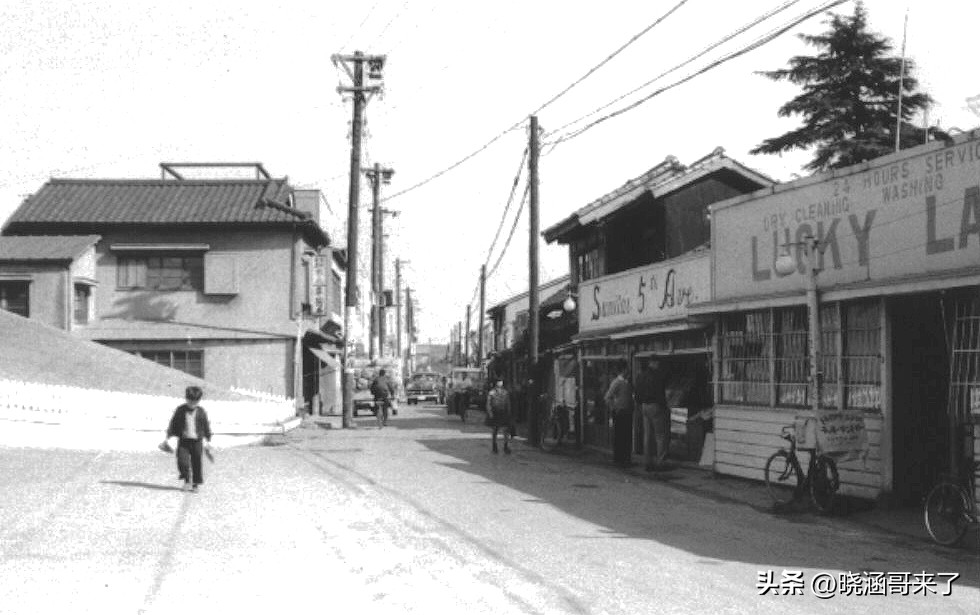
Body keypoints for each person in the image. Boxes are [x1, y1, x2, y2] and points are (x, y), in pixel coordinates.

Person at [166, 385, 213, 492]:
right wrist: (169, 435)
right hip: (183, 441)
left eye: (195, 402)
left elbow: (206, 425)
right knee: (182, 461)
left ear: (198, 401)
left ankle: (196, 483)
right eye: (190, 401)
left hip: (197, 441)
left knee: (197, 462)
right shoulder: (180, 410)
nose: (192, 404)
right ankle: (187, 481)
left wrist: (208, 437)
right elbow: (173, 422)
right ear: (186, 398)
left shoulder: (201, 411)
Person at [634, 358, 670, 471]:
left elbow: (637, 392)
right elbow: (660, 393)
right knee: (660, 435)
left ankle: (647, 462)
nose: (658, 365)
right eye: (657, 363)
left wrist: (640, 403)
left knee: (647, 435)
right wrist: (664, 406)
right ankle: (660, 462)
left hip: (644, 406)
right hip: (655, 406)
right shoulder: (657, 376)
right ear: (653, 363)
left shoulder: (640, 375)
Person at [603, 363, 634, 467]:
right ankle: (619, 458)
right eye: (627, 369)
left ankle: (625, 458)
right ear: (623, 370)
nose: (628, 371)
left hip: (627, 412)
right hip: (620, 412)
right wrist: (614, 408)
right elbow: (607, 397)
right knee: (620, 436)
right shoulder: (617, 382)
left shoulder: (626, 382)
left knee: (626, 436)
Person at [485, 379, 514, 454]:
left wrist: (509, 412)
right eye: (499, 383)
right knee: (495, 430)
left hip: (503, 412)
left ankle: (505, 446)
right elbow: (488, 404)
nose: (500, 384)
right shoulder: (491, 393)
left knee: (506, 430)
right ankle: (494, 446)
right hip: (495, 412)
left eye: (501, 383)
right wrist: (490, 413)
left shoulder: (505, 392)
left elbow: (508, 403)